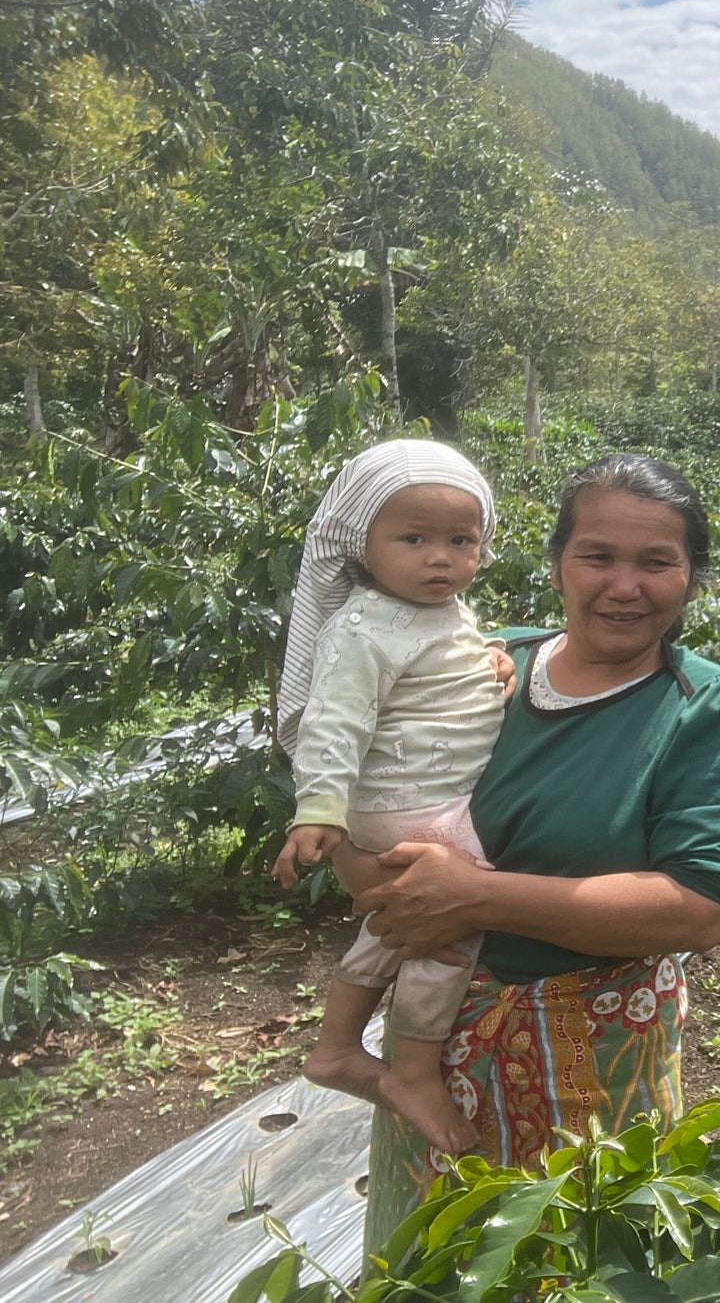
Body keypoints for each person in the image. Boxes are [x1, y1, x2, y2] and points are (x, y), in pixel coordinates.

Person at [338, 453, 720, 1257]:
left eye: (656, 562)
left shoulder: (701, 705)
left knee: (576, 1258)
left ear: (692, 577)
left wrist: (476, 897)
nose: (624, 585)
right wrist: (366, 872)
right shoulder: (477, 665)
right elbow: (379, 798)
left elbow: (697, 908)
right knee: (430, 1256)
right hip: (432, 1040)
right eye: (597, 555)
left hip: (588, 1056)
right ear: (558, 562)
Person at [274, 438, 507, 1155]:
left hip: (426, 796)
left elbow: (439, 665)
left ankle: (337, 1046)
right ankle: (410, 1069)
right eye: (413, 539)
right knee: (459, 912)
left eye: (460, 540)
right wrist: (318, 809)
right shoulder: (364, 625)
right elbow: (334, 720)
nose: (440, 557)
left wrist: (491, 659)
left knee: (396, 920)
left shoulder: (441, 610)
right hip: (413, 802)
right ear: (362, 546)